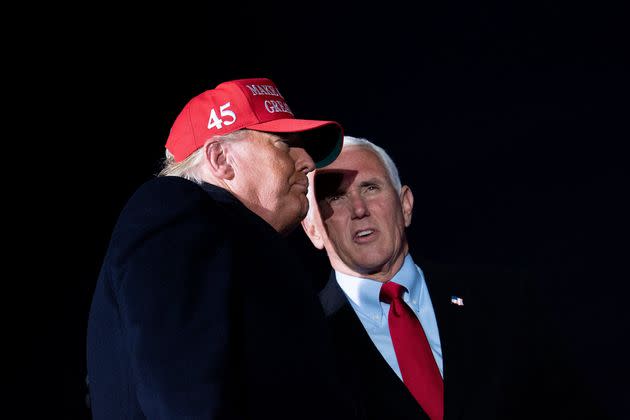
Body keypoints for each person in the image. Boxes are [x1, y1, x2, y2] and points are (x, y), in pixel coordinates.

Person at [86, 77, 354, 419]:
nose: (308, 163)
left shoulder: (243, 247)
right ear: (221, 158)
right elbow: (184, 394)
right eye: (284, 145)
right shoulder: (174, 207)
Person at [300, 136, 544, 420]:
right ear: (313, 230)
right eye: (336, 197)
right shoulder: (305, 341)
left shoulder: (505, 300)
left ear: (405, 205)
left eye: (370, 188)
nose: (359, 209)